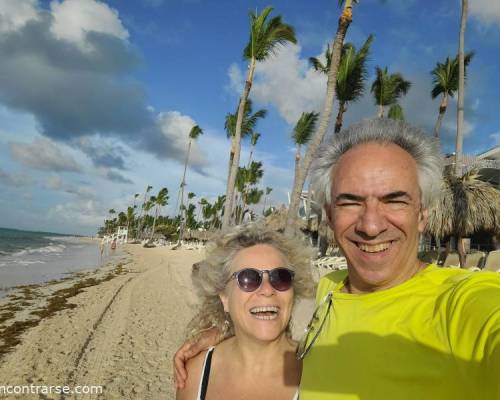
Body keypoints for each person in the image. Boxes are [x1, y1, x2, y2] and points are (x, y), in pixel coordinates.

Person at [175, 118, 500, 399]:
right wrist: (230, 333)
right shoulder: (330, 289)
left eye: (394, 200)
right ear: (330, 217)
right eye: (350, 202)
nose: (371, 226)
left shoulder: (462, 305)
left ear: (423, 215)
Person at [176, 224, 314, 400]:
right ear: (224, 297)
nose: (267, 290)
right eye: (248, 278)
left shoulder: (319, 372)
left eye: (280, 277)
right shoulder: (195, 374)